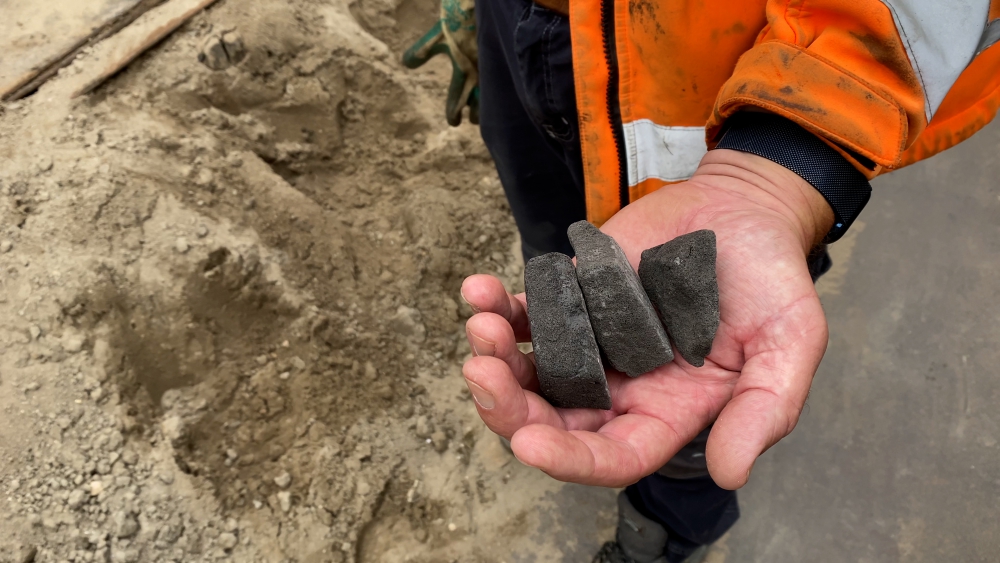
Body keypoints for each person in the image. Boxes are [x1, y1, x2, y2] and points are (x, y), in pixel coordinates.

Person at [405, 1, 1000, 561]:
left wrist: (780, 165)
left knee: (703, 399)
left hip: (737, 90)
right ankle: (565, 384)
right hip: (528, 35)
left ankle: (664, 531)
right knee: (550, 256)